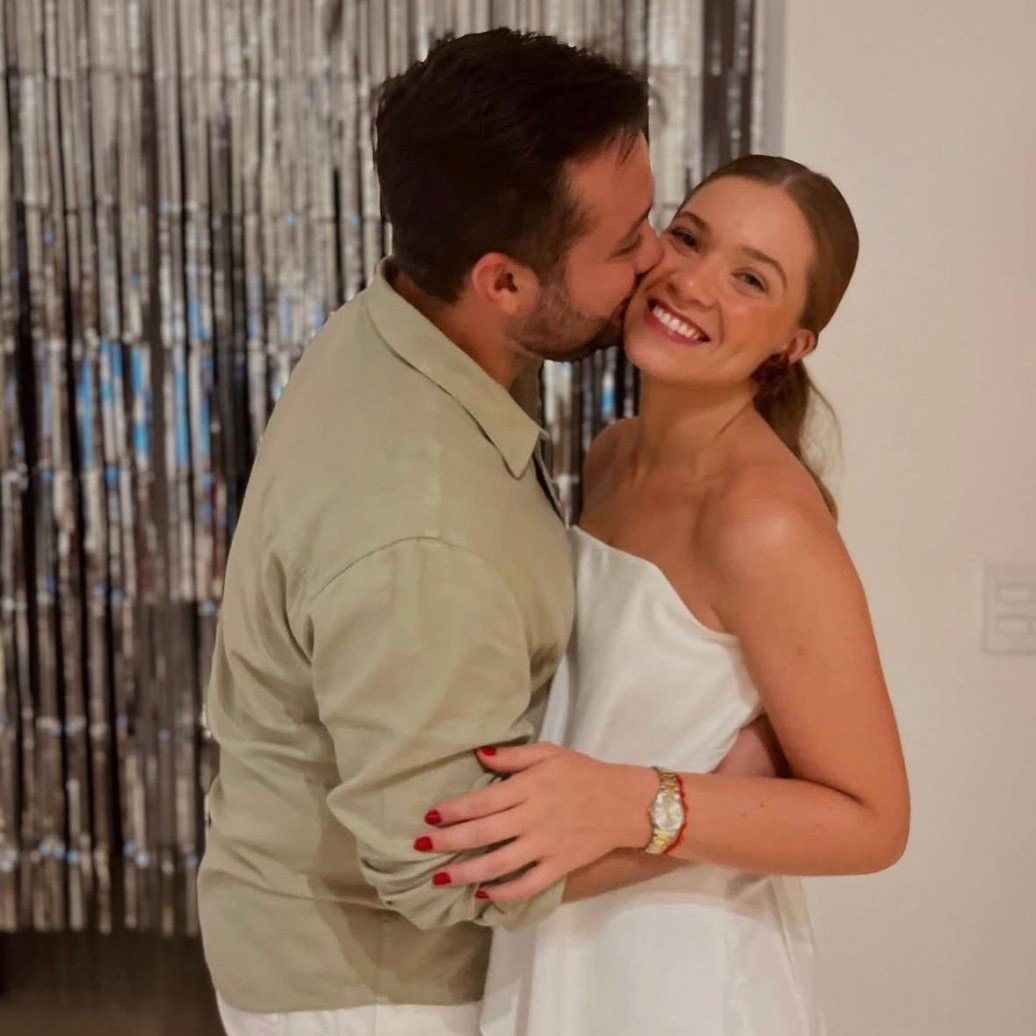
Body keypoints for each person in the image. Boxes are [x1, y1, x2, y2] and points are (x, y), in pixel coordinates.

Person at [197, 30, 776, 1036]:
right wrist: (693, 815)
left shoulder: (409, 322)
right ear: (502, 282)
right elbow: (448, 874)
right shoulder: (423, 536)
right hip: (373, 994)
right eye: (626, 243)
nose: (656, 263)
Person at [415, 157, 912, 1035]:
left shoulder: (763, 523)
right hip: (564, 937)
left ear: (792, 344)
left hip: (679, 972)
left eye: (750, 279)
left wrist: (630, 803)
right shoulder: (615, 452)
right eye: (687, 237)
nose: (691, 281)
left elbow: (874, 823)